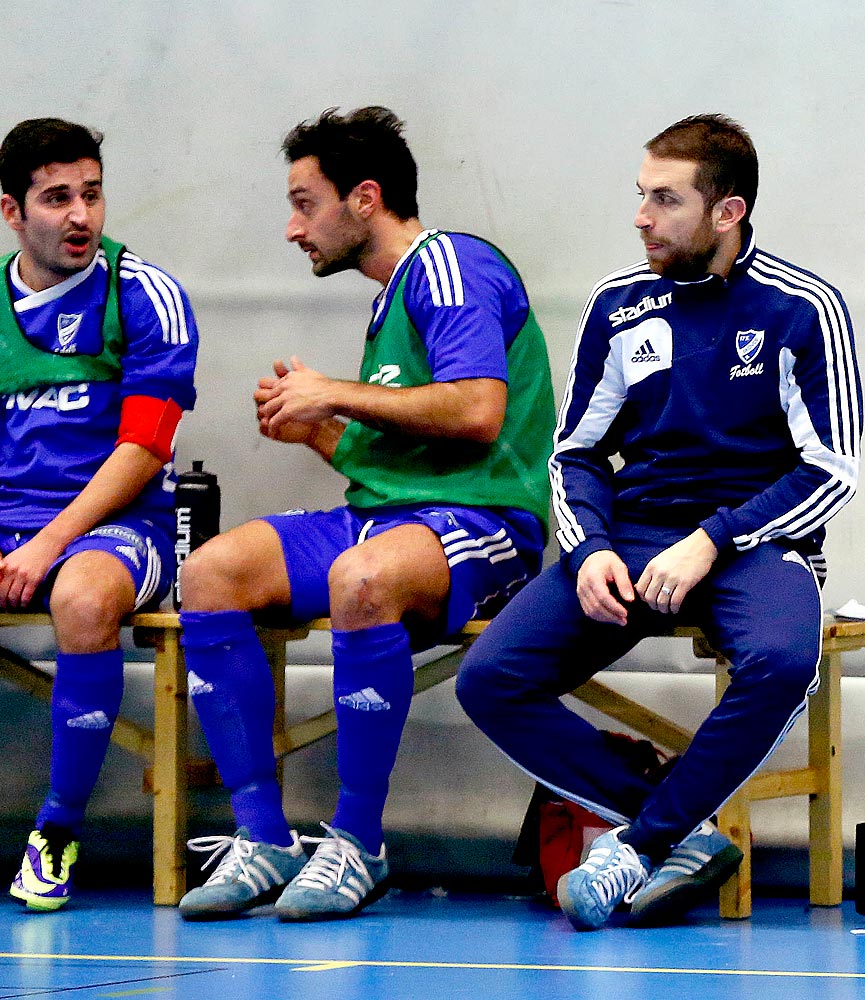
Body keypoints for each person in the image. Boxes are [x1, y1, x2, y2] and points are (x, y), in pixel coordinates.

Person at [456, 113, 863, 931]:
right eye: (640, 196)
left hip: (754, 543)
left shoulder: (801, 307)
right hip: (631, 535)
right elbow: (573, 455)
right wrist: (591, 549)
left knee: (784, 661)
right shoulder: (619, 304)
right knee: (489, 679)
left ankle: (634, 847)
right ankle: (676, 832)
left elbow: (832, 469)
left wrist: (713, 538)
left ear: (727, 211)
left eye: (664, 199)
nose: (640, 217)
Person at [175, 107, 555, 922]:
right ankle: (264, 836)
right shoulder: (391, 299)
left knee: (361, 578)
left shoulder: (449, 265)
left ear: (365, 198)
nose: (291, 227)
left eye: (304, 203)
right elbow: (398, 462)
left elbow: (479, 413)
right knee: (208, 573)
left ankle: (356, 844)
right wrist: (320, 434)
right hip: (388, 522)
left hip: (488, 528)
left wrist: (335, 393)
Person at [0, 119, 199, 911]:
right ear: (11, 211)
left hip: (118, 526)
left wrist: (48, 547)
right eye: (57, 197)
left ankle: (56, 831)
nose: (80, 216)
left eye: (91, 195)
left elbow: (143, 448)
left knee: (82, 596)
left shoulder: (143, 293)